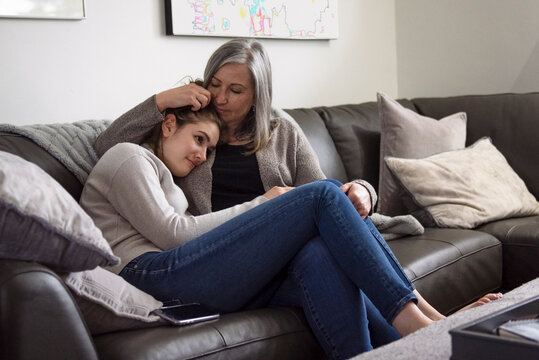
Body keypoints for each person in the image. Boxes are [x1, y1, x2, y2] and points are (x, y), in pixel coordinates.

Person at [91, 39, 501, 358]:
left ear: (258, 95)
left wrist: (365, 193)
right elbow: (111, 148)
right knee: (320, 198)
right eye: (214, 84)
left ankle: (401, 338)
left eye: (235, 90)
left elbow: (334, 204)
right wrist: (163, 100)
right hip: (214, 257)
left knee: (320, 253)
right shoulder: (189, 136)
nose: (221, 97)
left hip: (271, 261)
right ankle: (426, 324)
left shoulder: (279, 130)